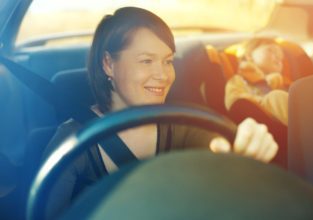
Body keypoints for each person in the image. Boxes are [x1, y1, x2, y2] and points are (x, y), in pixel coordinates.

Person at [42, 7, 279, 219]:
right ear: (108, 64)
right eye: (146, 61)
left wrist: (244, 149)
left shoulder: (182, 124)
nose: (163, 75)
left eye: (168, 61)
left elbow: (218, 148)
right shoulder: (72, 142)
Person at [225, 38, 289, 125]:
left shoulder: (284, 83)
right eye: (271, 50)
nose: (278, 57)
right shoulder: (240, 79)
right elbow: (235, 101)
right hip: (261, 119)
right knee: (276, 96)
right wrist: (263, 102)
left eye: (281, 58)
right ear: (249, 56)